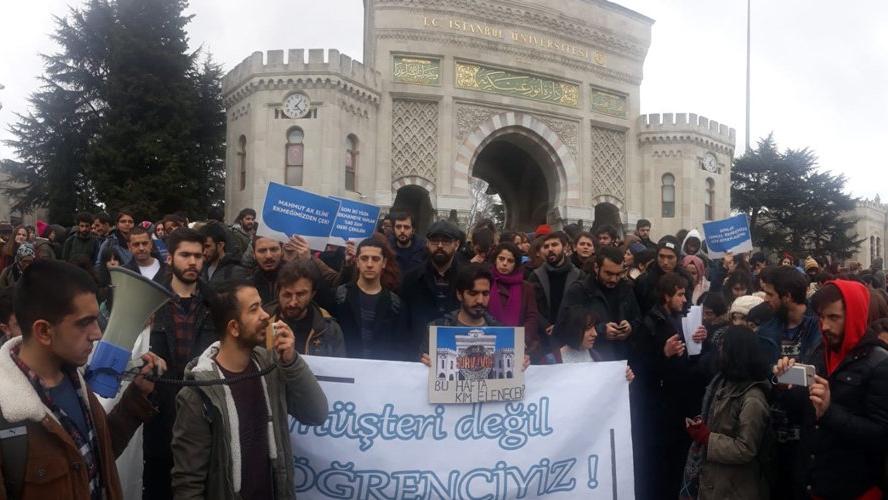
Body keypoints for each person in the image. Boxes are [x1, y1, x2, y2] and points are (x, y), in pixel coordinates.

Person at [0, 260, 163, 500]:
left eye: (96, 320)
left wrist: (136, 398)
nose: (97, 333)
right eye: (84, 323)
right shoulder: (7, 412)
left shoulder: (75, 378)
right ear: (44, 331)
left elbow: (94, 458)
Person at [170, 280, 328, 500]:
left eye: (262, 306)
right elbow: (188, 483)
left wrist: (292, 361)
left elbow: (317, 414)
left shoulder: (270, 367)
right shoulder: (199, 394)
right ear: (234, 328)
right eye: (254, 309)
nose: (266, 316)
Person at [774, 281, 888, 499]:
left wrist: (829, 411)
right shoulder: (820, 352)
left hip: (852, 489)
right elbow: (803, 410)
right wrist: (783, 385)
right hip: (813, 482)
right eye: (822, 317)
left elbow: (880, 435)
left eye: (834, 317)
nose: (825, 326)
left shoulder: (880, 363)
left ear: (854, 315)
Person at [144, 228, 218, 499]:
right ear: (169, 258)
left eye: (198, 256)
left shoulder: (216, 304)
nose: (193, 262)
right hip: (159, 411)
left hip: (202, 412)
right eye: (185, 255)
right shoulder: (148, 301)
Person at [635, 272, 709, 500]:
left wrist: (700, 341)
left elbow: (691, 358)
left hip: (681, 402)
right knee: (662, 466)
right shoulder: (648, 324)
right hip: (660, 409)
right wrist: (663, 353)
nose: (685, 299)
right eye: (679, 295)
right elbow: (639, 369)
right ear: (666, 296)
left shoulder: (684, 318)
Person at [681, 325, 772, 500]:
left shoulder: (753, 398)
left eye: (723, 348)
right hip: (714, 480)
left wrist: (707, 438)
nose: (719, 352)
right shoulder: (722, 382)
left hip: (734, 488)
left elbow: (746, 449)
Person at [757, 265, 822, 499]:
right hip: (774, 434)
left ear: (788, 297)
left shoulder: (820, 328)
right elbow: (761, 375)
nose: (766, 300)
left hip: (809, 433)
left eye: (771, 294)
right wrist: (775, 380)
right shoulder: (765, 331)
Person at [560, 246, 640, 361]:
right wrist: (601, 330)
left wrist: (630, 327)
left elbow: (638, 318)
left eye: (618, 274)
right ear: (597, 267)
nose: (614, 279)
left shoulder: (626, 288)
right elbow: (566, 328)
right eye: (609, 273)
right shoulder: (579, 291)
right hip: (592, 360)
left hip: (622, 359)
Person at [333, 238, 408, 361]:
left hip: (380, 374)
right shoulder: (340, 297)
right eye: (364, 258)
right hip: (345, 371)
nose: (369, 264)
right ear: (357, 261)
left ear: (384, 263)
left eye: (375, 259)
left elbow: (401, 347)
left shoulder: (396, 304)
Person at [402, 220, 462, 356]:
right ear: (427, 243)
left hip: (456, 354)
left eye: (446, 241)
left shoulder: (467, 278)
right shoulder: (411, 279)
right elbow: (403, 323)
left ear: (456, 244)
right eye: (435, 241)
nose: (440, 246)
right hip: (418, 356)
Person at [268, 259, 346, 357]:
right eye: (287, 295)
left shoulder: (329, 329)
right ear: (278, 293)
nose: (293, 303)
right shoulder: (262, 324)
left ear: (312, 294)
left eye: (300, 295)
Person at [488, 242, 542, 362]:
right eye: (501, 259)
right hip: (488, 344)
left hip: (520, 347)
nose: (505, 263)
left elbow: (531, 316)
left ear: (516, 264)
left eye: (510, 261)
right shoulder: (486, 282)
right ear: (495, 259)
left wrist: (521, 340)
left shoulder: (526, 287)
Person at [527, 231, 584, 346]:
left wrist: (561, 326)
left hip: (569, 335)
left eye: (554, 245)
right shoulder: (536, 276)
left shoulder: (579, 275)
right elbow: (531, 305)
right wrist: (546, 326)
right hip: (543, 337)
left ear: (565, 247)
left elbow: (581, 306)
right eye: (546, 246)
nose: (550, 249)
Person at [635, 235, 694, 314]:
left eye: (670, 257)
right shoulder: (645, 281)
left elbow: (687, 307)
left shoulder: (686, 278)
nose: (665, 262)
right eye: (661, 256)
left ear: (677, 258)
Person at [251, 235, 285, 306]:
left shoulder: (294, 280)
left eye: (274, 249)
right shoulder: (248, 286)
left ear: (282, 251)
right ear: (253, 254)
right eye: (262, 251)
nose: (268, 256)